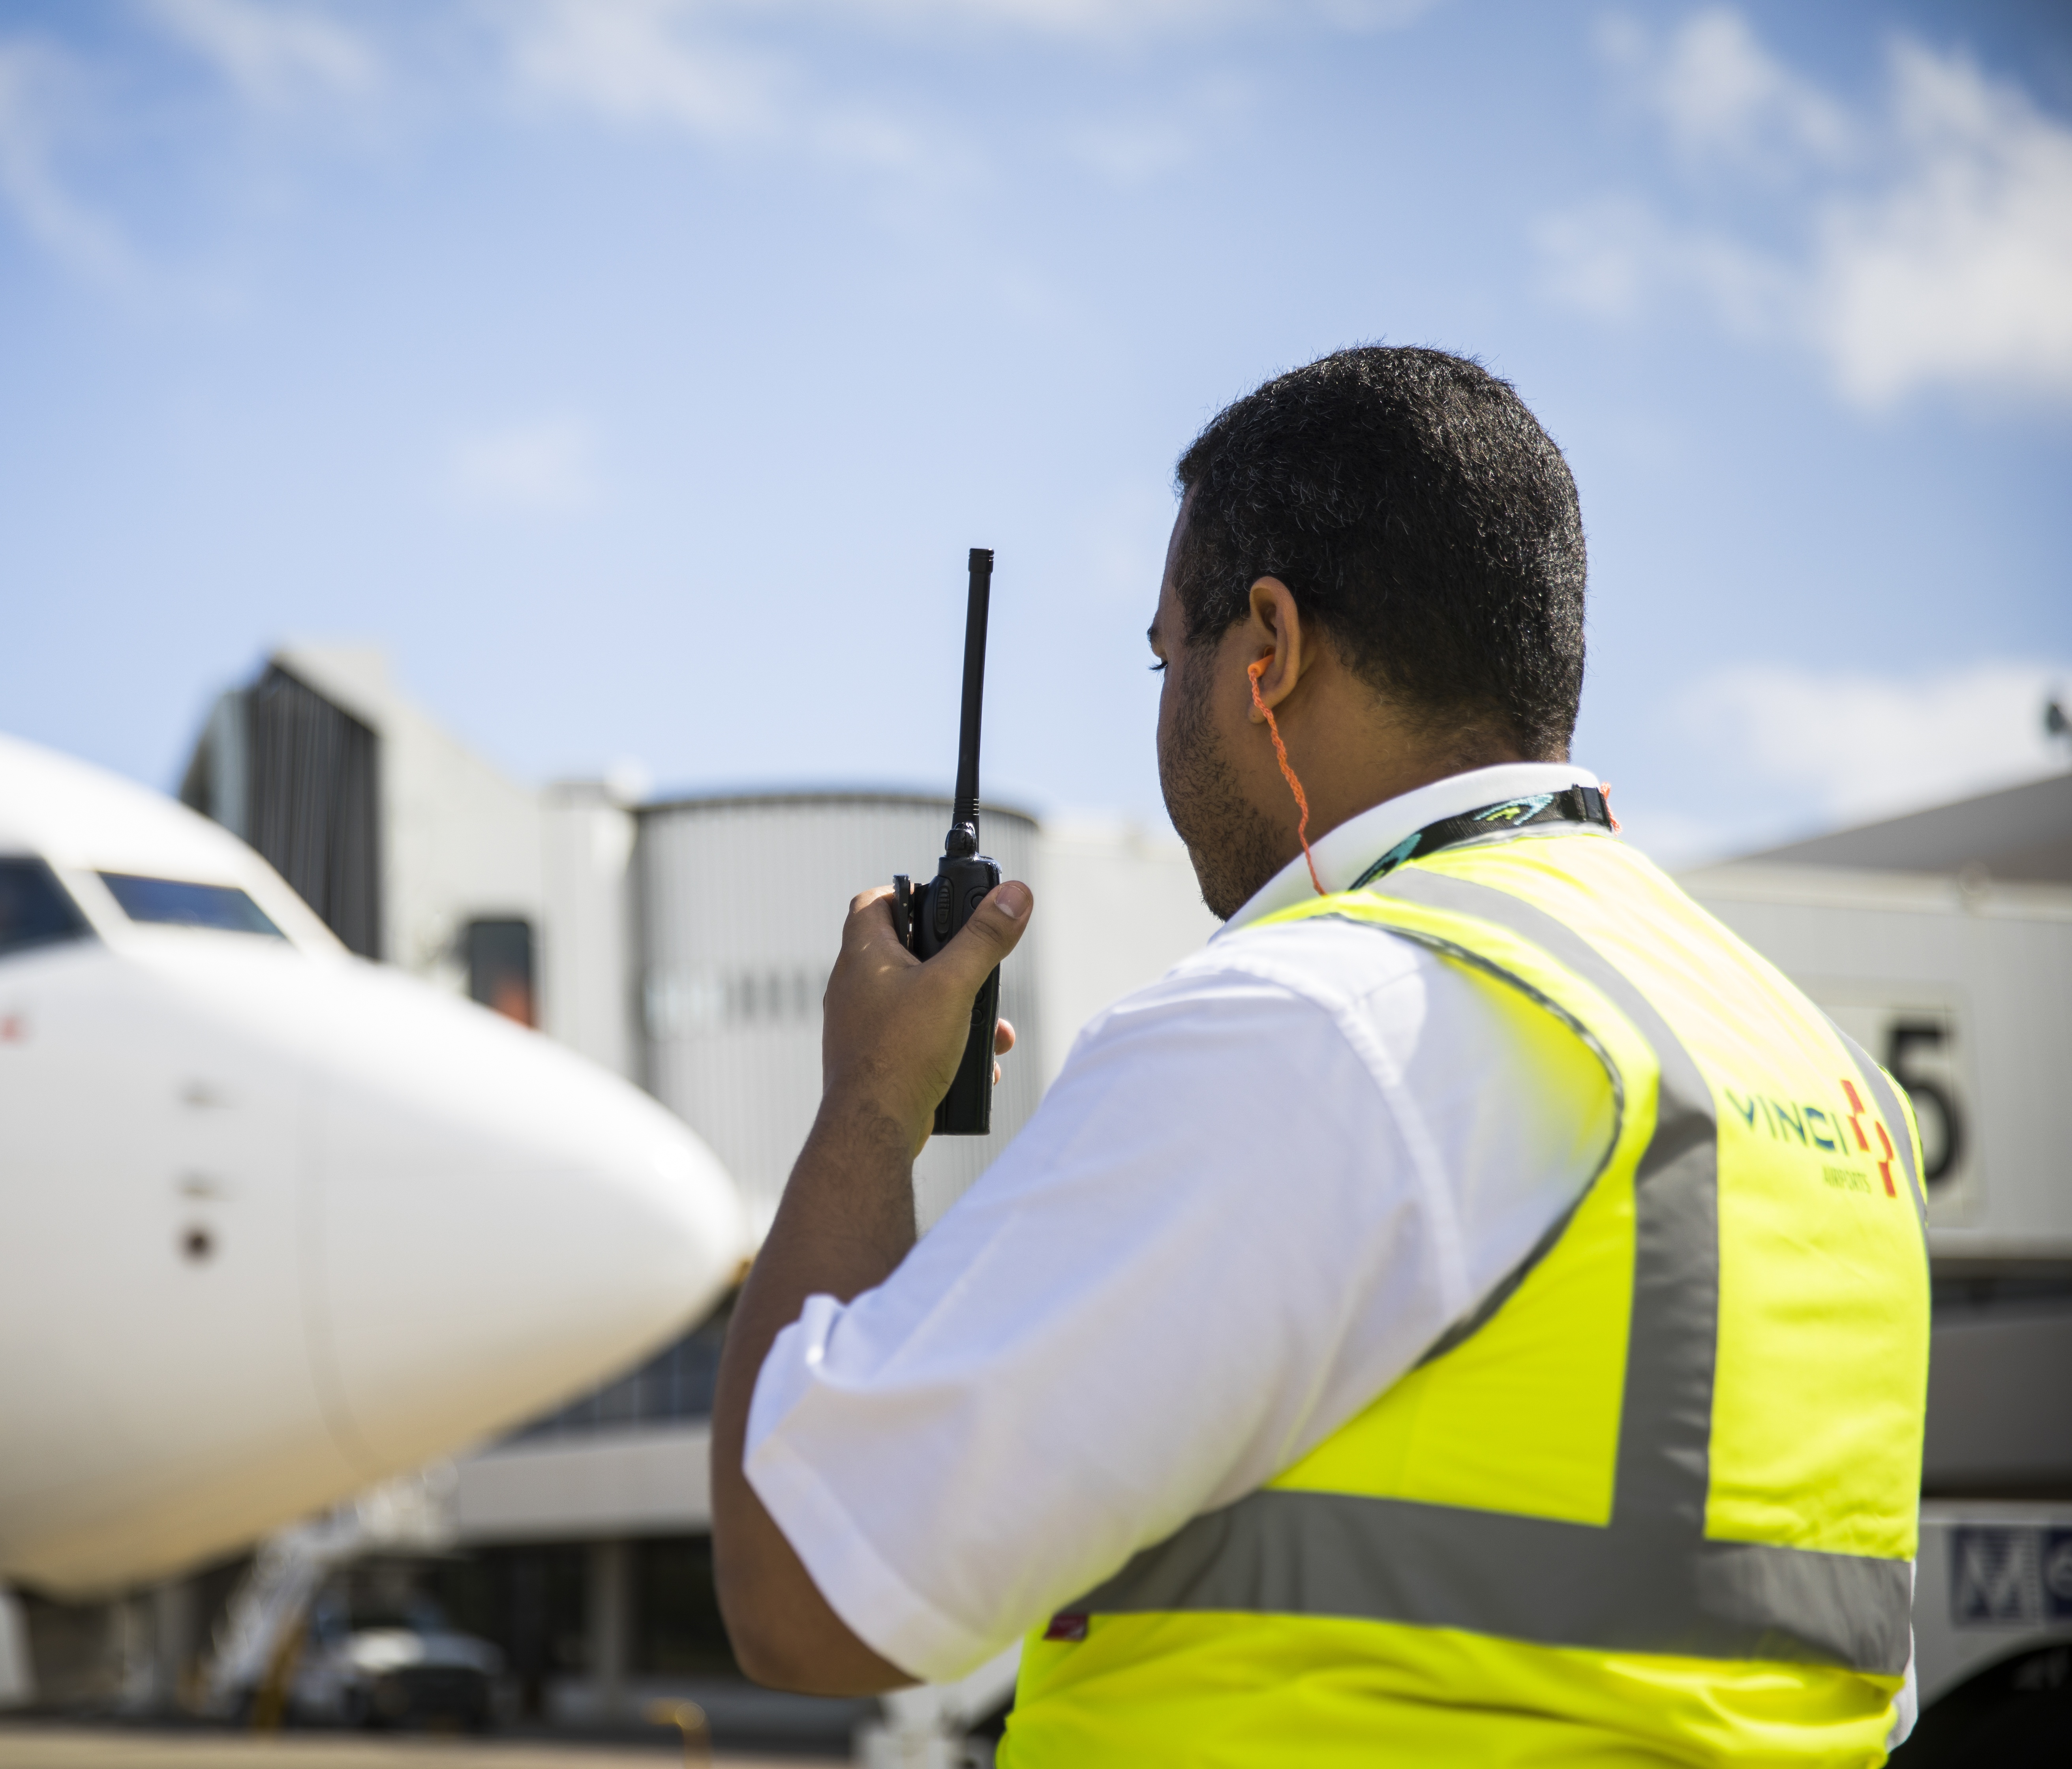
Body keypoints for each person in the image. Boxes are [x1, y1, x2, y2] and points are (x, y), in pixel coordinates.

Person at [708, 346, 1930, 1765]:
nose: (1162, 706)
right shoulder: (1828, 1082)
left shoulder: (1310, 1021)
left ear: (1270, 648)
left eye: (1168, 656)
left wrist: (869, 1103)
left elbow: (802, 1590)